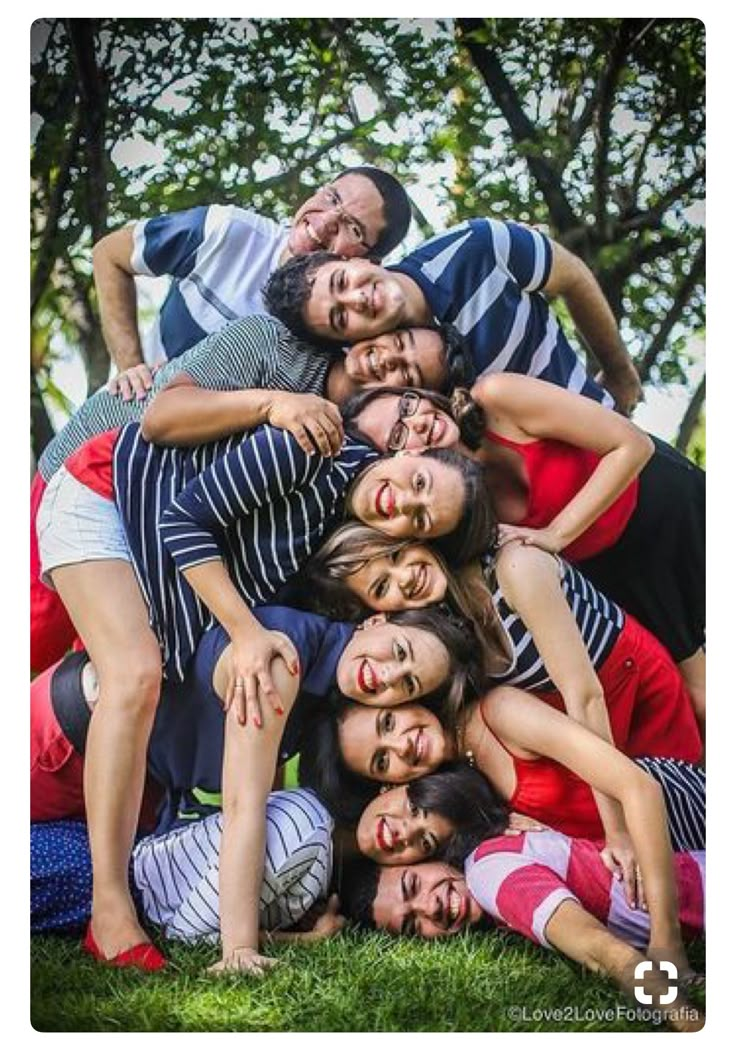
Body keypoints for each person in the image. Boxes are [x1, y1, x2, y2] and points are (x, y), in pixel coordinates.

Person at [35, 404, 491, 974]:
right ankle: (110, 916)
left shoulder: (312, 694)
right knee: (133, 679)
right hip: (61, 745)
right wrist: (239, 948)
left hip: (127, 794)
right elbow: (243, 809)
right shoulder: (280, 652)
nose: (388, 676)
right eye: (399, 654)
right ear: (377, 620)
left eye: (404, 689)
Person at [30, 315, 472, 673]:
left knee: (98, 679)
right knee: (35, 642)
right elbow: (161, 417)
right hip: (97, 484)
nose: (387, 362)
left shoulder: (350, 479)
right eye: (396, 342)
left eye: (408, 372)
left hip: (152, 561)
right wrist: (271, 403)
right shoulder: (276, 350)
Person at [340, 381, 705, 724]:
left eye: (407, 404)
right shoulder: (449, 517)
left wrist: (556, 534)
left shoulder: (497, 396)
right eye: (398, 436)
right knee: (700, 696)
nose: (417, 423)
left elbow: (633, 444)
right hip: (619, 572)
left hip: (662, 505)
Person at [292, 523, 703, 781]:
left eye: (397, 555)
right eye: (382, 587)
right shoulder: (435, 641)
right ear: (379, 611)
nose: (406, 576)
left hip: (628, 686)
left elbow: (585, 693)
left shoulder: (509, 567)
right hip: (583, 721)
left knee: (683, 794)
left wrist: (619, 833)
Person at [31, 765, 504, 942]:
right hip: (89, 876)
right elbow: (183, 932)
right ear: (393, 785)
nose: (400, 834)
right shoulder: (307, 836)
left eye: (422, 843)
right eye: (414, 807)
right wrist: (302, 941)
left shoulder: (319, 857)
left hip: (104, 877)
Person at [261, 218, 642, 414]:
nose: (357, 299)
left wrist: (620, 372)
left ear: (355, 258)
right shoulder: (388, 377)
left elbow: (573, 275)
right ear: (346, 343)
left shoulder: (475, 246)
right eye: (341, 318)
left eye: (343, 281)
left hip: (607, 432)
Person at [340, 835, 704, 1029]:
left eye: (413, 885)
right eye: (412, 924)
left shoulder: (490, 875)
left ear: (429, 854)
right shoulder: (492, 854)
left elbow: (601, 949)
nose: (428, 907)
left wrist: (689, 1021)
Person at [92, 166, 412, 381]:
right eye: (331, 198)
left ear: (369, 262)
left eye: (352, 227)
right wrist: (131, 368)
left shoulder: (348, 339)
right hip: (127, 414)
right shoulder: (227, 230)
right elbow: (110, 254)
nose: (326, 221)